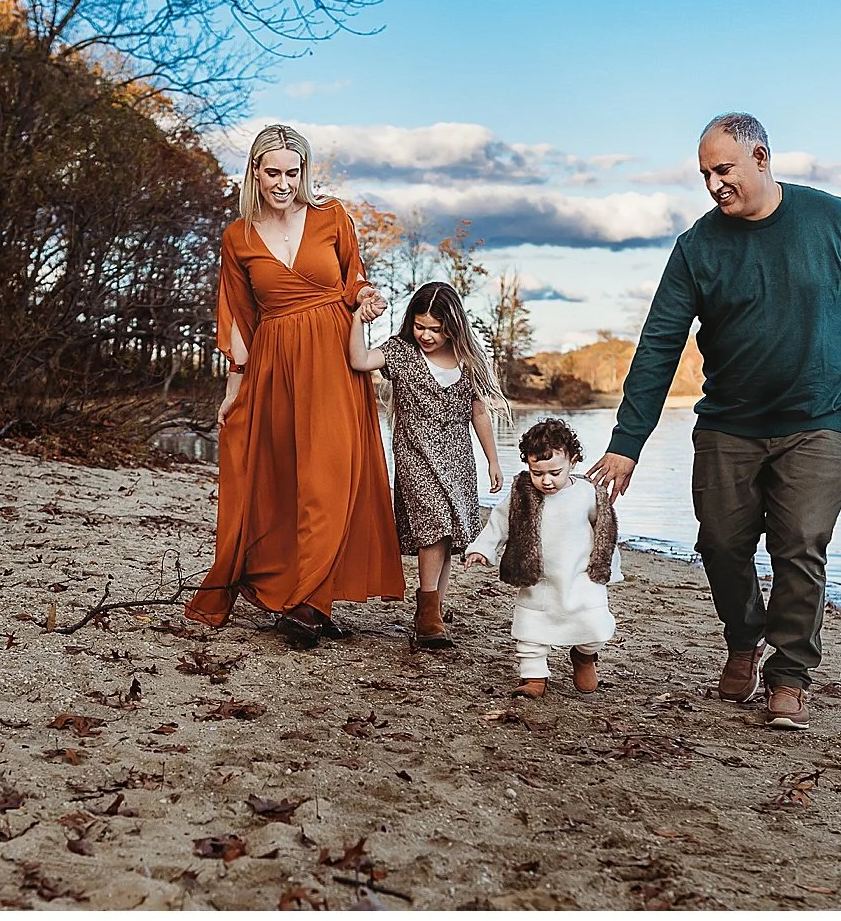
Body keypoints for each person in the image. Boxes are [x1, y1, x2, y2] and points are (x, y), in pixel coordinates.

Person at [586, 111, 841, 731]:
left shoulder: (833, 221)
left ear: (762, 157)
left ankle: (790, 675)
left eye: (724, 169)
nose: (715, 184)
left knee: (801, 545)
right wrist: (626, 443)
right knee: (721, 543)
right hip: (728, 424)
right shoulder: (698, 245)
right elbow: (660, 343)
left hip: (818, 420)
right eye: (705, 174)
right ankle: (743, 640)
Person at [185, 123, 406, 643]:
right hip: (273, 365)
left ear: (304, 172)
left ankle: (312, 600)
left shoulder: (333, 218)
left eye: (293, 171)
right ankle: (296, 596)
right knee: (283, 480)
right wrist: (232, 390)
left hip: (332, 362)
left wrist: (369, 300)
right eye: (273, 172)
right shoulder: (237, 235)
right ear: (255, 173)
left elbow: (355, 282)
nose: (283, 182)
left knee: (329, 478)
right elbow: (239, 317)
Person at [347, 281, 508, 647]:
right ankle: (427, 613)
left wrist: (493, 461)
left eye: (435, 329)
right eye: (420, 326)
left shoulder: (469, 359)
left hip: (458, 458)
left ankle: (432, 610)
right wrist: (358, 319)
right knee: (434, 525)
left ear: (452, 326)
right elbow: (359, 360)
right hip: (416, 454)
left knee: (450, 534)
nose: (426, 335)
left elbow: (479, 412)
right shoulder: (401, 352)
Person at [466, 418, 623, 698]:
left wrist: (609, 566)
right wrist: (482, 549)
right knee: (532, 632)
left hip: (581, 577)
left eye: (554, 472)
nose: (546, 480)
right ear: (528, 464)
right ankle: (534, 677)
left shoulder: (587, 493)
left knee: (596, 626)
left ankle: (585, 656)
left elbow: (605, 530)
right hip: (537, 577)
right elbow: (500, 522)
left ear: (573, 461)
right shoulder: (523, 494)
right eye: (538, 473)